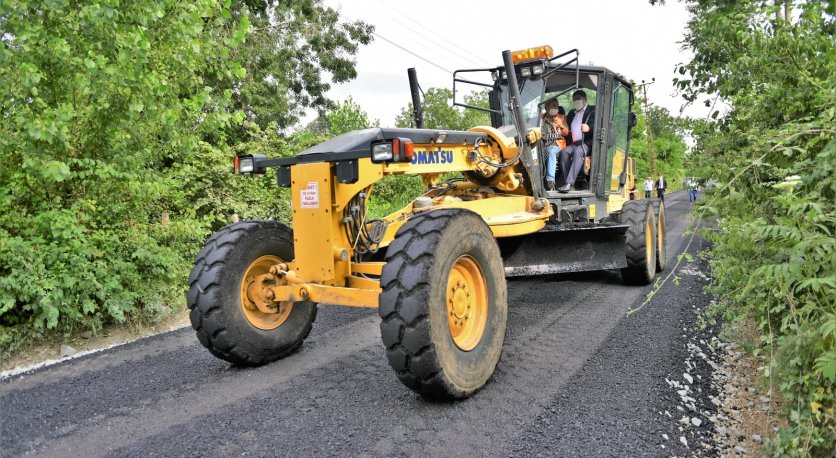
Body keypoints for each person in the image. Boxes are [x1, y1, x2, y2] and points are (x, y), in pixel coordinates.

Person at [557, 90, 596, 192]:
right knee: (564, 152)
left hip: (588, 142)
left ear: (585, 99)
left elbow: (600, 125)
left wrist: (589, 128)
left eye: (578, 98)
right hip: (575, 142)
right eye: (574, 99)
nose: (576, 101)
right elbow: (568, 128)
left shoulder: (593, 110)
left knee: (578, 151)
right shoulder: (571, 113)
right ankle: (567, 183)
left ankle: (570, 183)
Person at [541, 99, 569, 191]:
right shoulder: (541, 119)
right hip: (543, 146)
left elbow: (566, 133)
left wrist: (561, 125)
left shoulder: (561, 117)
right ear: (546, 107)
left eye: (556, 106)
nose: (555, 108)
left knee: (552, 150)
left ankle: (550, 180)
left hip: (558, 146)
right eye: (553, 106)